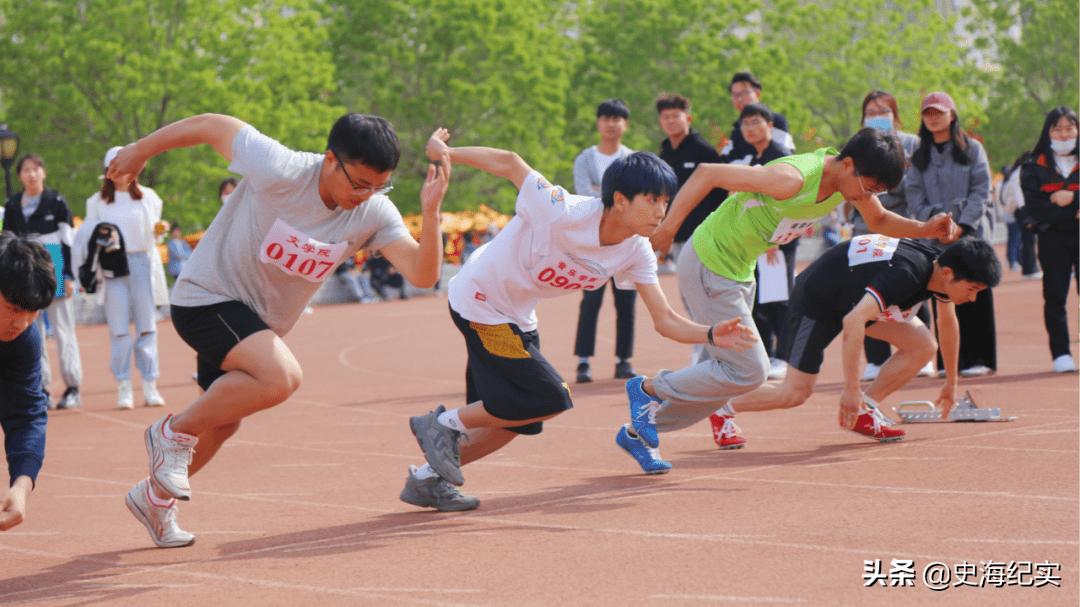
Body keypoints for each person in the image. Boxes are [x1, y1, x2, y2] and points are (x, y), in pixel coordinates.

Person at [106, 112, 450, 548]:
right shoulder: (281, 168)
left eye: (378, 186)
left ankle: (154, 499)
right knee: (281, 377)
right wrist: (139, 150)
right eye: (359, 183)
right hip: (206, 298)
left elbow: (423, 274)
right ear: (330, 160)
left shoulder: (372, 213)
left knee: (223, 423)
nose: (365, 196)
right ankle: (169, 433)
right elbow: (212, 125)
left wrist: (431, 211)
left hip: (255, 328)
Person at [402, 128, 755, 506]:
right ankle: (439, 423)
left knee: (519, 418)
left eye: (666, 202)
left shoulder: (636, 252)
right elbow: (509, 162)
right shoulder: (561, 210)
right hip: (478, 300)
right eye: (652, 200)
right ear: (619, 199)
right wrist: (447, 151)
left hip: (516, 314)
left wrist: (712, 334)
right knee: (549, 396)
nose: (661, 211)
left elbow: (665, 319)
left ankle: (428, 479)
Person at [637, 128, 959, 458]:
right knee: (749, 370)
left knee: (730, 365)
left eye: (877, 191)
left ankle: (651, 422)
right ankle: (648, 393)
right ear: (847, 164)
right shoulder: (792, 179)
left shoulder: (845, 182)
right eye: (870, 187)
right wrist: (668, 229)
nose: (868, 196)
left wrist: (924, 229)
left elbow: (878, 219)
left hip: (740, 269)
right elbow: (709, 173)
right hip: (710, 261)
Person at [626, 237, 999, 467]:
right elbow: (854, 322)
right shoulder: (906, 273)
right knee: (795, 393)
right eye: (975, 288)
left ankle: (866, 407)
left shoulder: (939, 265)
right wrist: (850, 389)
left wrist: (950, 383)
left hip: (855, 296)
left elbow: (948, 326)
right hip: (818, 301)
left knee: (923, 345)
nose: (975, 297)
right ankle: (723, 405)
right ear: (949, 274)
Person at [905, 92, 996, 378]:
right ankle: (949, 363)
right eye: (928, 113)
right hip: (935, 237)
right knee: (943, 294)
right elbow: (914, 197)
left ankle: (980, 357)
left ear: (952, 115)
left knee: (975, 293)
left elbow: (981, 191)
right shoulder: (918, 157)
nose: (933, 118)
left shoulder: (972, 149)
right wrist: (937, 225)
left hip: (971, 233)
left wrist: (962, 226)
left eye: (939, 112)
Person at [848, 90, 934, 382]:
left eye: (883, 110)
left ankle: (919, 354)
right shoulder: (858, 146)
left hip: (903, 225)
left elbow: (919, 187)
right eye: (871, 111)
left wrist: (917, 226)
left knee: (911, 290)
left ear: (895, 115)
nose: (877, 115)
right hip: (866, 228)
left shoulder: (913, 145)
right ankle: (875, 358)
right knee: (867, 293)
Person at [80, 147, 170, 409]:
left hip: (142, 262)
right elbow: (88, 235)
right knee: (119, 329)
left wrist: (159, 231)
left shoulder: (149, 198)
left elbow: (155, 233)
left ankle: (150, 384)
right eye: (114, 167)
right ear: (107, 170)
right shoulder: (96, 203)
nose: (120, 173)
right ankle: (124, 386)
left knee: (147, 325)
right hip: (113, 267)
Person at [3, 153, 84, 409]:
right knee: (32, 329)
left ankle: (72, 385)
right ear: (20, 176)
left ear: (44, 173)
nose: (32, 174)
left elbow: (68, 239)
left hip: (54, 262)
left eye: (36, 169)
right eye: (26, 170)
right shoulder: (14, 205)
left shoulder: (56, 201)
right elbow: (7, 242)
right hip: (25, 269)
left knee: (62, 327)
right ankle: (42, 387)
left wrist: (69, 275)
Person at [572, 99, 637, 382]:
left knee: (626, 301)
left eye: (617, 118)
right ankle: (584, 361)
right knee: (590, 302)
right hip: (594, 244)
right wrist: (617, 200)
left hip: (625, 243)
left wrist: (605, 195)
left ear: (626, 124)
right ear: (598, 123)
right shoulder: (585, 159)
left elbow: (638, 201)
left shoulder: (634, 160)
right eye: (606, 118)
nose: (611, 124)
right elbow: (585, 197)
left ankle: (624, 359)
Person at [736, 103, 796, 383]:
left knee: (778, 300)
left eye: (756, 122)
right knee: (759, 299)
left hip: (777, 242)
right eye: (745, 123)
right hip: (757, 241)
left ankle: (784, 357)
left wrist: (776, 239)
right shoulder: (753, 158)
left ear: (770, 126)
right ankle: (767, 354)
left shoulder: (780, 157)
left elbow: (789, 201)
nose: (750, 128)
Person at [0, 232, 56, 531]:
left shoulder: (24, 339)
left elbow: (26, 415)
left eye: (33, 312)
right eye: (13, 309)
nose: (22, 322)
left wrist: (21, 484)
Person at [1018, 106, 1079, 373]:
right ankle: (1061, 354)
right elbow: (1035, 207)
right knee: (1054, 296)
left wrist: (1070, 197)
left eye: (1069, 128)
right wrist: (1073, 211)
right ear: (1048, 131)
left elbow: (1051, 206)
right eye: (1058, 129)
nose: (1064, 134)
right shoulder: (1034, 166)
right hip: (1052, 239)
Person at [656, 93, 725, 272]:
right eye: (666, 117)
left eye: (676, 116)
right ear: (660, 121)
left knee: (708, 288)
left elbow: (722, 191)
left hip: (704, 234)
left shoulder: (704, 150)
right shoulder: (664, 154)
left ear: (688, 118)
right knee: (688, 292)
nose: (671, 121)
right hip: (677, 235)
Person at [720, 71, 795, 164]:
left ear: (757, 93)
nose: (739, 99)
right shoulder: (737, 129)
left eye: (744, 93)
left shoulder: (776, 121)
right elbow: (725, 160)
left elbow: (784, 157)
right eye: (735, 95)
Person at [999, 153, 1041, 278]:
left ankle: (1029, 267)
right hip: (1022, 209)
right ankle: (1030, 269)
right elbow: (1019, 193)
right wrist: (1025, 210)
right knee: (1028, 239)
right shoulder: (1020, 173)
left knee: (1027, 239)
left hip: (1021, 209)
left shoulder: (1019, 172)